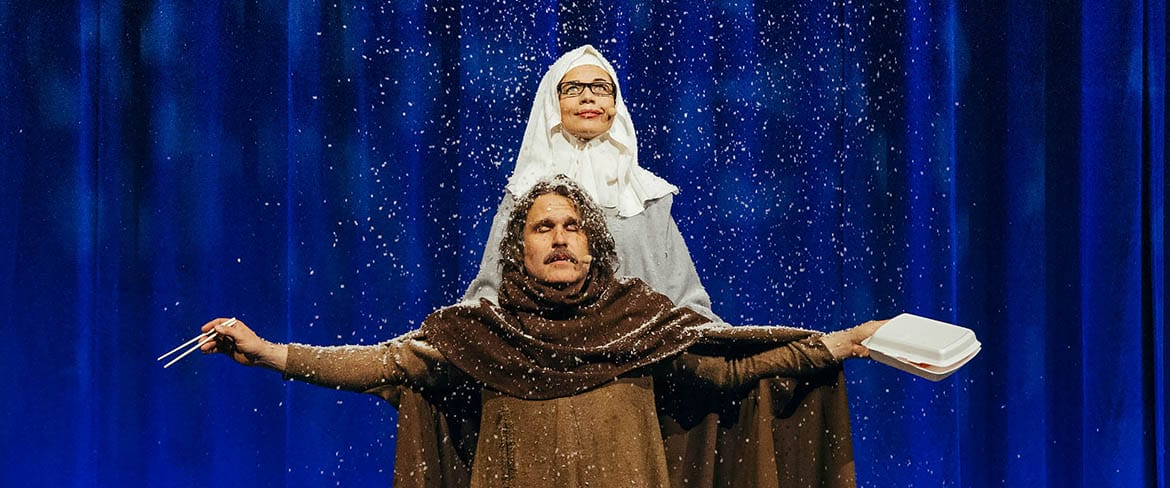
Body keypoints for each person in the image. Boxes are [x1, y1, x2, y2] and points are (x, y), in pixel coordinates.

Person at [201, 176, 885, 488]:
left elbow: (731, 370)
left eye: (573, 226)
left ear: (593, 244)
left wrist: (840, 343)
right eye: (542, 227)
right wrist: (270, 353)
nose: (560, 238)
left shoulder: (640, 320)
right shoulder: (479, 335)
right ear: (518, 248)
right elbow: (383, 364)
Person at [464, 45, 721, 320]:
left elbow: (687, 300)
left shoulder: (647, 197)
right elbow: (489, 293)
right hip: (544, 340)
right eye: (573, 88)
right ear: (553, 102)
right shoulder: (523, 193)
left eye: (600, 87)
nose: (587, 97)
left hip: (639, 341)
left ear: (615, 104)